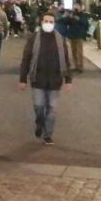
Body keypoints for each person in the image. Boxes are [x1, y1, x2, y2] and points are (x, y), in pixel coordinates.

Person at [19, 12, 73, 146]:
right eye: (46, 21)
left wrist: (68, 79)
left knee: (52, 109)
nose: (48, 24)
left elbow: (66, 60)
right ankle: (39, 122)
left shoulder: (60, 39)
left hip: (55, 80)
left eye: (51, 22)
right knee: (38, 106)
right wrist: (23, 79)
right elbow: (26, 59)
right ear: (41, 22)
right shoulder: (34, 38)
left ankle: (47, 134)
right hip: (38, 79)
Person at [66, 3, 91, 74]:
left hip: (79, 35)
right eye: (74, 7)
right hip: (72, 35)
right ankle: (76, 65)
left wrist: (78, 19)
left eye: (77, 7)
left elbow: (86, 24)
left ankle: (80, 67)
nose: (76, 9)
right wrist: (68, 17)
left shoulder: (83, 15)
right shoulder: (72, 14)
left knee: (79, 51)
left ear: (80, 8)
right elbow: (67, 23)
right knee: (73, 51)